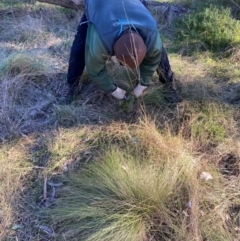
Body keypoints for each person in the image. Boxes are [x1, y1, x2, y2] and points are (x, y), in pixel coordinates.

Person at [63, 0, 182, 103]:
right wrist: (113, 90)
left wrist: (143, 84)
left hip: (133, 5)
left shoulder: (150, 30)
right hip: (100, 9)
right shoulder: (100, 37)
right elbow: (94, 70)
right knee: (79, 49)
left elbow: (153, 57)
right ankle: (73, 85)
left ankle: (168, 84)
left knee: (158, 50)